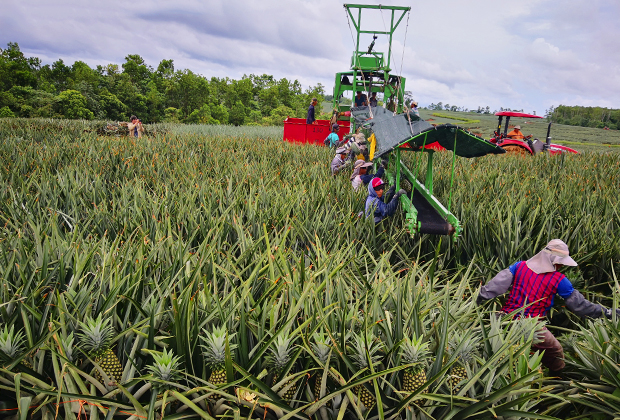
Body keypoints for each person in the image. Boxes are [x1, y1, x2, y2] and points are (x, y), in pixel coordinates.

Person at [477, 239, 620, 373]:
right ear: (552, 260)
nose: (561, 265)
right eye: (560, 262)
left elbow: (493, 287)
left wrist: (475, 300)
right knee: (555, 351)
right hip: (532, 324)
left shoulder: (518, 266)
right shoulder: (559, 280)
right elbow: (580, 306)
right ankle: (556, 378)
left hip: (504, 318)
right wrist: (607, 312)